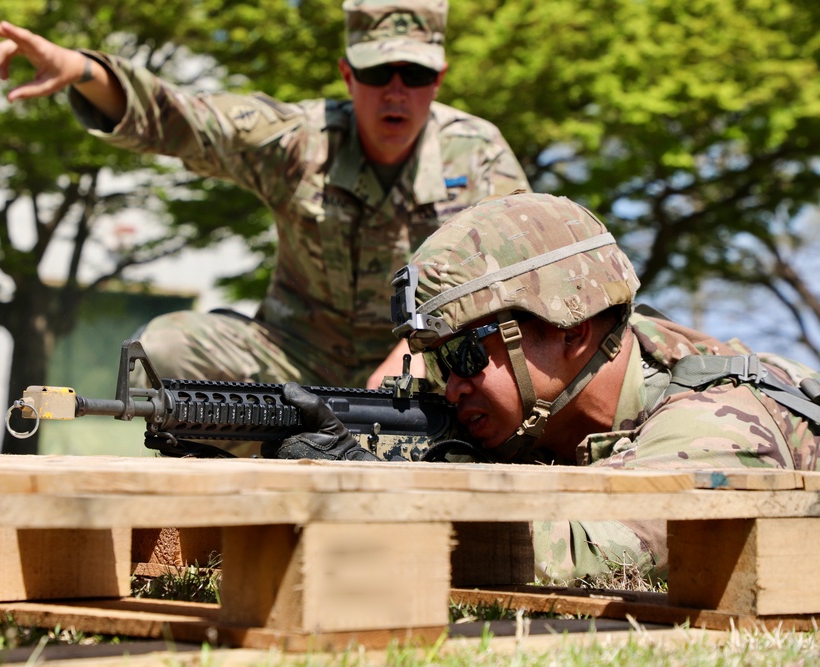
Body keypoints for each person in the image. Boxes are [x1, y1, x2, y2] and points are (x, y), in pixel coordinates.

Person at [0, 0, 530, 395]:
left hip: (436, 371)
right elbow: (187, 120)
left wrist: (418, 353)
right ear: (346, 74)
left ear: (438, 79)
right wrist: (81, 70)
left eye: (414, 73)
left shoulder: (478, 155)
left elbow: (521, 274)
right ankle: (238, 488)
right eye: (375, 70)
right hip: (295, 365)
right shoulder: (299, 139)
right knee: (167, 353)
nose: (395, 90)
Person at [273, 192, 820, 584]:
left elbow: (595, 556)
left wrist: (381, 495)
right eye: (436, 363)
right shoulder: (542, 417)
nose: (452, 386)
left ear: (571, 329)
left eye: (464, 353)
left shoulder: (716, 418)